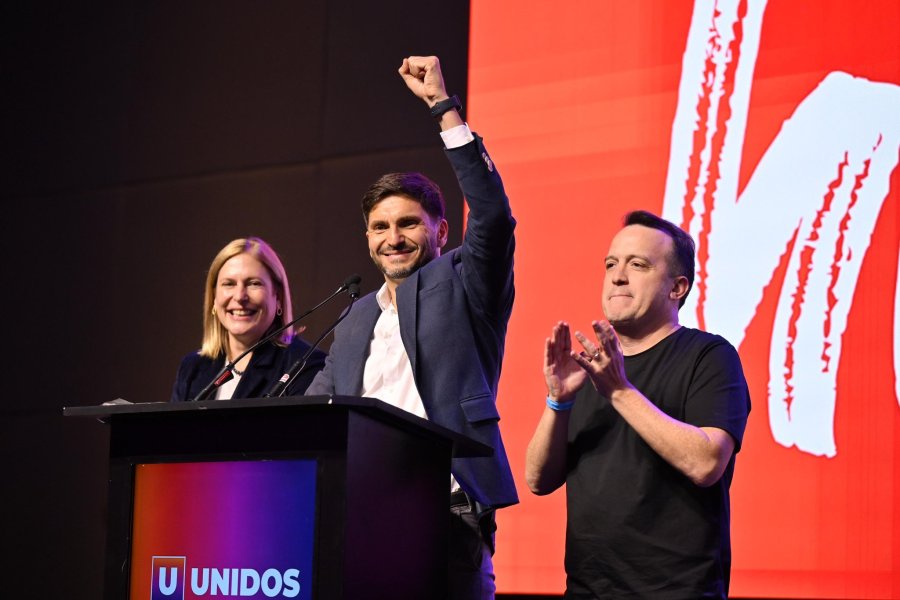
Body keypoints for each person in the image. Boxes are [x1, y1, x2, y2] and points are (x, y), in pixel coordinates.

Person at [305, 56, 518, 598]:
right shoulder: (355, 317)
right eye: (379, 227)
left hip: (447, 517)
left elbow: (492, 217)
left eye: (407, 224)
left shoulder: (466, 283)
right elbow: (317, 410)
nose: (391, 238)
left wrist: (444, 109)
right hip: (360, 517)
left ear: (441, 231)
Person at [525, 210, 751, 599]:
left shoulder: (708, 356)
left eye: (638, 265)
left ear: (677, 287)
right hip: (586, 590)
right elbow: (538, 480)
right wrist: (558, 402)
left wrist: (619, 391)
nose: (617, 276)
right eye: (611, 264)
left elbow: (706, 463)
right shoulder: (592, 366)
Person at [171, 237, 326, 402]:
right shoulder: (193, 368)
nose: (239, 296)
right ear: (214, 298)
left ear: (278, 297)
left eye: (254, 283)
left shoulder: (304, 364)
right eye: (229, 284)